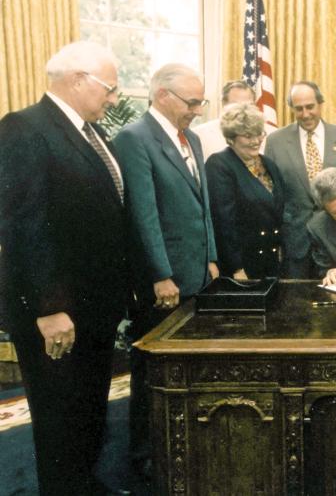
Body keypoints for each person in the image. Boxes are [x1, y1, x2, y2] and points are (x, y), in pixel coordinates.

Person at [0, 41, 132, 496]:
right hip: (58, 316)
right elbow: (25, 226)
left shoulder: (93, 135)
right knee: (59, 421)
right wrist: (50, 308)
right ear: (78, 80)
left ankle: (85, 486)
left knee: (88, 412)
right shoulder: (23, 129)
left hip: (94, 310)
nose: (114, 99)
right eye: (109, 89)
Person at [115, 63, 219, 478]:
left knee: (188, 369)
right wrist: (160, 273)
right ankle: (145, 457)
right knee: (152, 374)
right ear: (162, 96)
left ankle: (184, 445)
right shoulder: (133, 139)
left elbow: (201, 204)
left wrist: (211, 255)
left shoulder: (191, 137)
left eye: (200, 101)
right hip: (165, 281)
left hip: (197, 275)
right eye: (191, 102)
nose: (197, 109)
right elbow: (144, 214)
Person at [265, 81, 336, 278]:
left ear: (320, 104)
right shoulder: (275, 141)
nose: (305, 114)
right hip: (295, 240)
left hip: (335, 237)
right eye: (298, 108)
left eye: (310, 107)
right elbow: (271, 191)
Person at [206, 103, 287, 279]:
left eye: (259, 134)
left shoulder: (269, 164)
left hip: (271, 263)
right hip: (241, 267)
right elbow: (223, 223)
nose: (256, 141)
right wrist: (236, 268)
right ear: (231, 138)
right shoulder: (219, 165)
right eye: (248, 136)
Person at [192, 79, 277, 157]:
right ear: (223, 104)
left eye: (248, 105)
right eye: (237, 105)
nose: (243, 110)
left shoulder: (272, 134)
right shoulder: (199, 135)